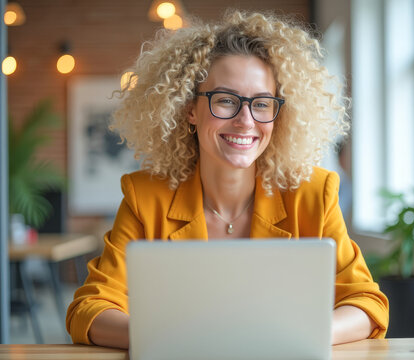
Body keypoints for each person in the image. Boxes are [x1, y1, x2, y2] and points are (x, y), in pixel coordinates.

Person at [66, 10, 389, 349]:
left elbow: (367, 304)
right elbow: (88, 310)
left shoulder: (313, 194)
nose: (246, 121)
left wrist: (294, 336)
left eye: (261, 104)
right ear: (190, 109)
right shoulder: (145, 198)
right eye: (225, 101)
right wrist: (177, 339)